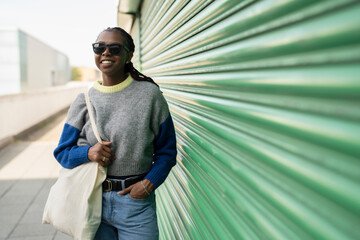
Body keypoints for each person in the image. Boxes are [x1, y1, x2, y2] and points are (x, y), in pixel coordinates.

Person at [53, 27, 177, 240]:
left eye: (115, 48)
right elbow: (62, 153)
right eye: (99, 47)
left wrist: (149, 184)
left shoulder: (150, 96)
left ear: (129, 54)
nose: (106, 53)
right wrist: (89, 153)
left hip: (136, 204)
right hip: (92, 201)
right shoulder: (84, 100)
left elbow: (167, 151)